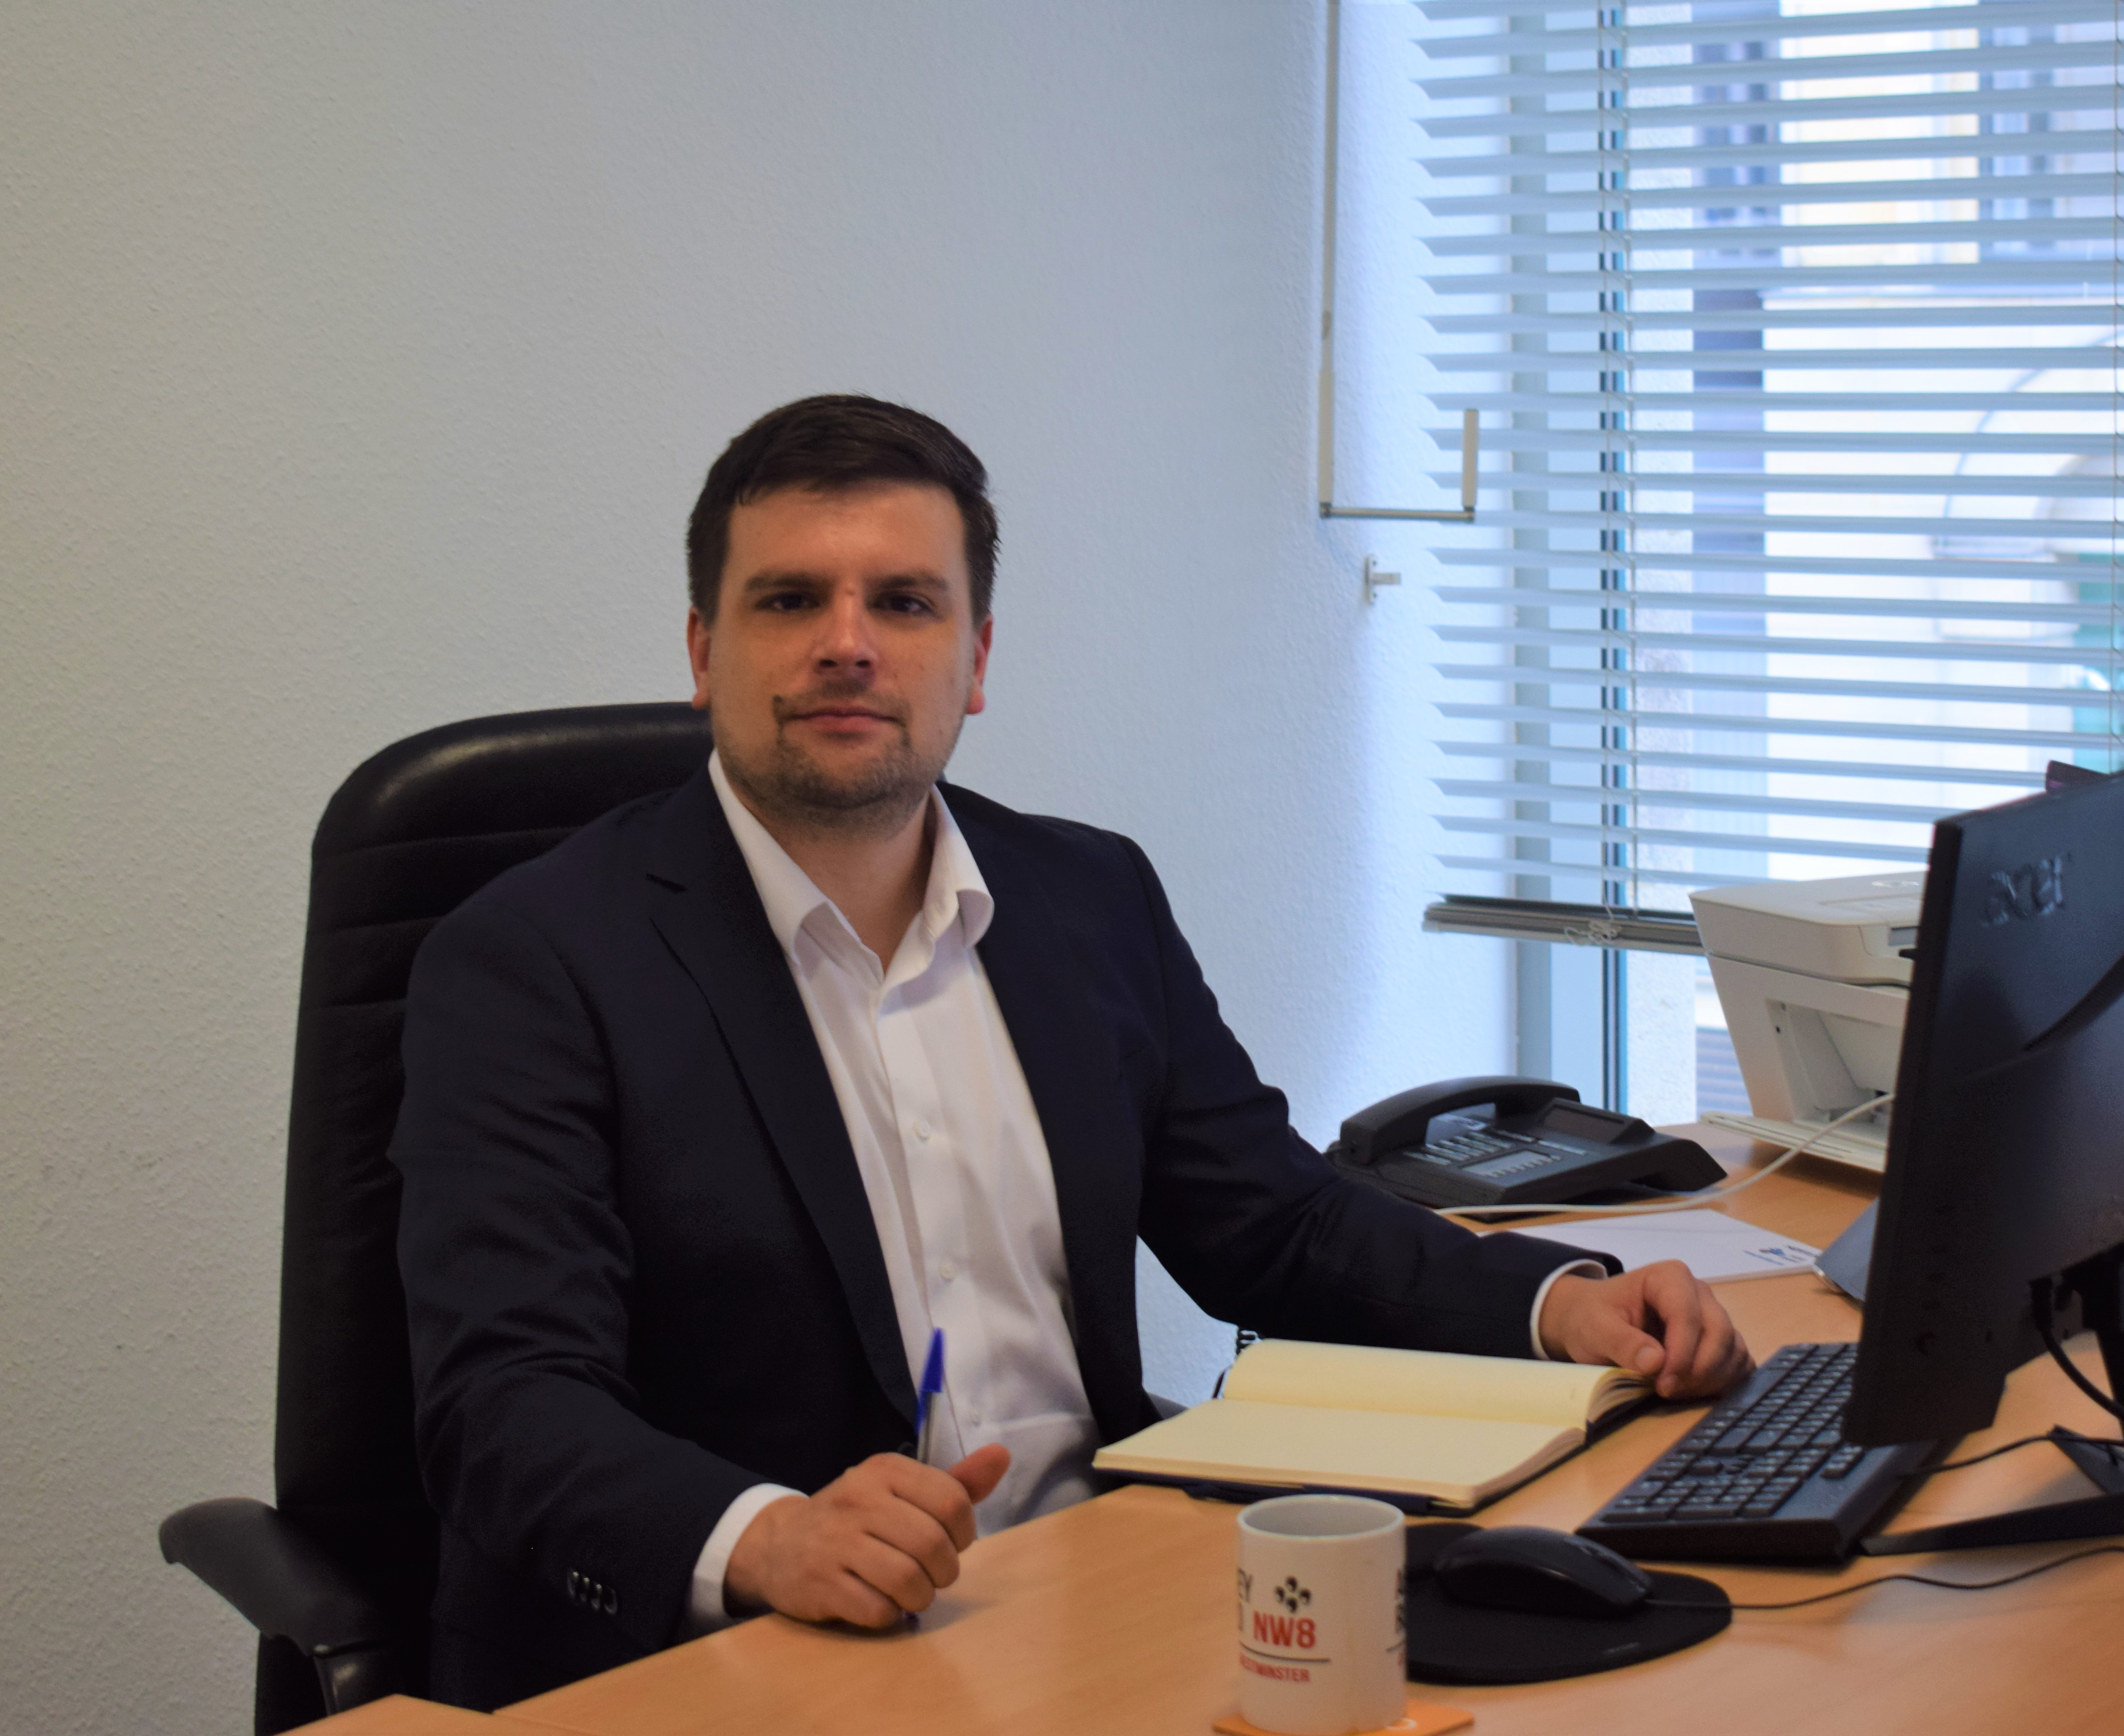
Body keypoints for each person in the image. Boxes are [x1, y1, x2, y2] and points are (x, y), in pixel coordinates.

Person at [390, 394, 1752, 1706]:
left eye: (905, 603)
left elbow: (1275, 1226)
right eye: (790, 600)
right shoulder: (532, 962)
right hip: (753, 1657)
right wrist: (764, 1536)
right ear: (703, 653)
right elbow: (505, 1400)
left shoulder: (1087, 898)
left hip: (1098, 1593)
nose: (848, 645)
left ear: (977, 661)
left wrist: (1553, 1305)